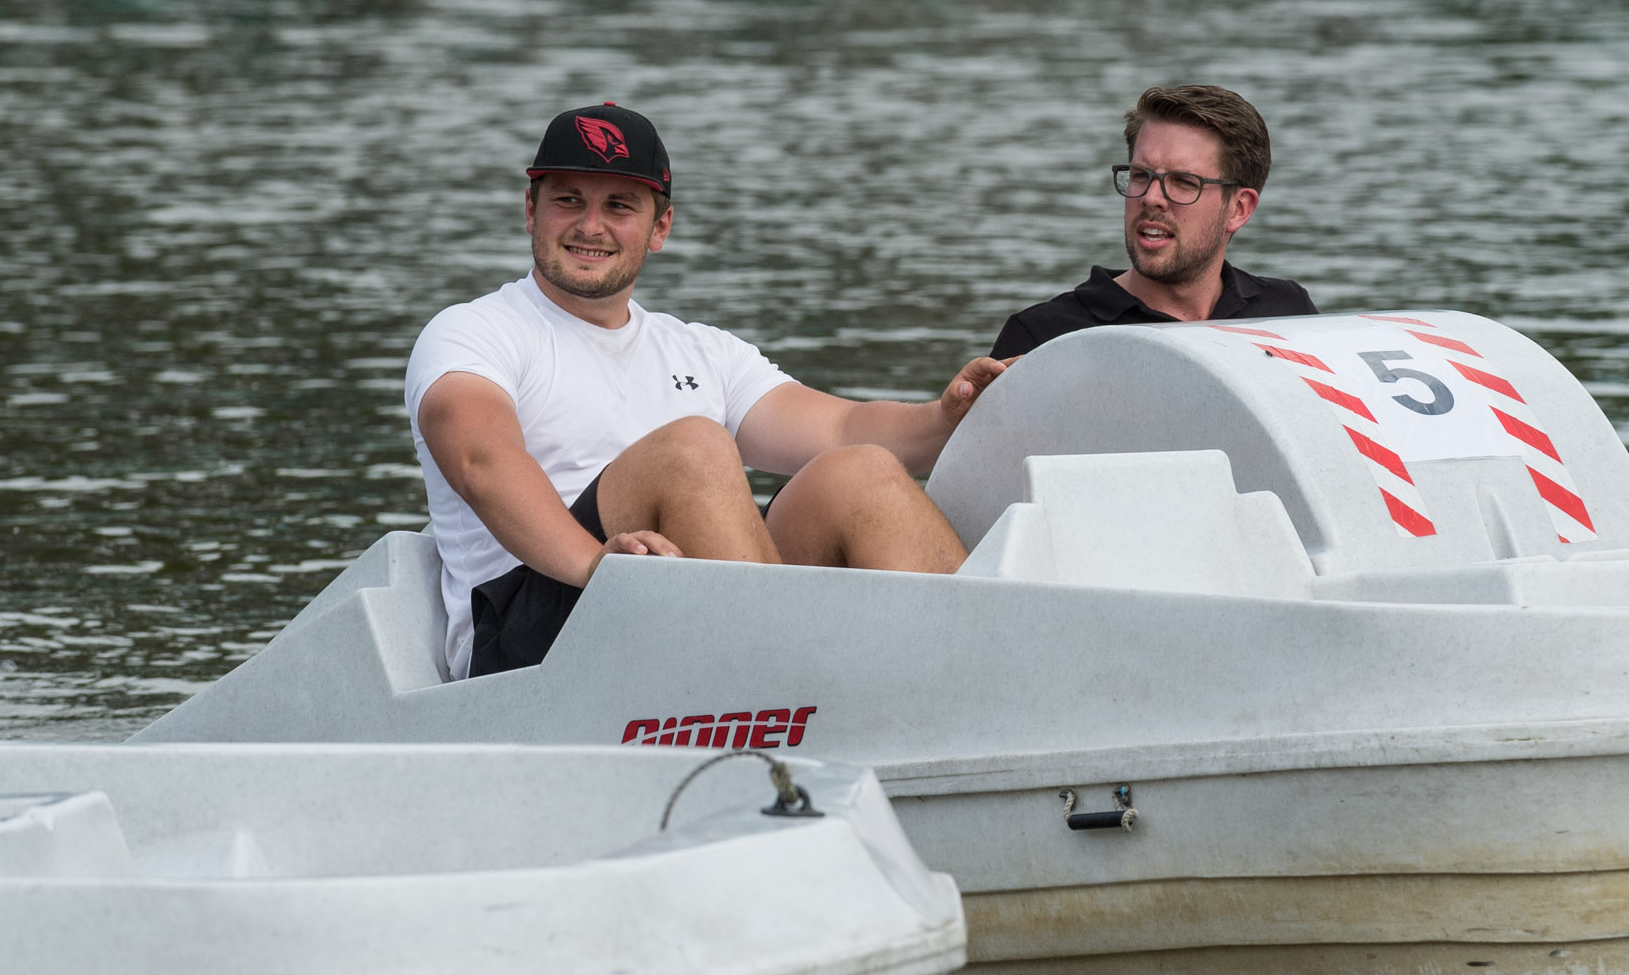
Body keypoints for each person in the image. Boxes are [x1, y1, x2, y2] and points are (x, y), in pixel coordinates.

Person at [408, 105, 1006, 681]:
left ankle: (973, 690)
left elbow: (842, 428)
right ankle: (796, 697)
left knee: (863, 472)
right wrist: (597, 567)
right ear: (531, 209)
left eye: (619, 206)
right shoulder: (472, 331)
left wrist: (948, 412)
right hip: (528, 638)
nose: (590, 226)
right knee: (692, 447)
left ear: (659, 227)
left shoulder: (702, 351)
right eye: (568, 200)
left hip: (685, 613)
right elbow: (480, 462)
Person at [990, 83, 1316, 359]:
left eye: (1184, 182)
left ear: (1239, 209)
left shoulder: (1286, 312)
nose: (1150, 197)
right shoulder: (1044, 338)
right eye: (1140, 175)